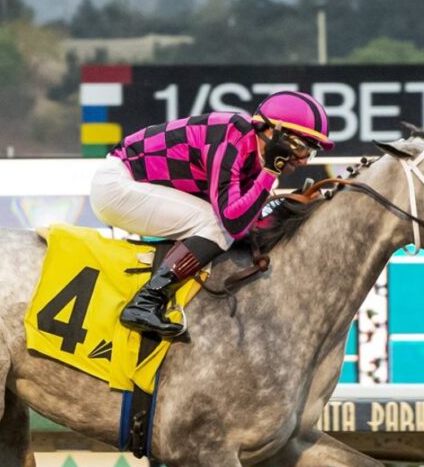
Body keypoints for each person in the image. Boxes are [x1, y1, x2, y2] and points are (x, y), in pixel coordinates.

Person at [89, 90, 334, 337]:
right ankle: (146, 301)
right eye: (300, 147)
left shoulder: (252, 153)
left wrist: (285, 211)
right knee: (214, 225)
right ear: (273, 133)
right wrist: (270, 172)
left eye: (310, 153)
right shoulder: (231, 137)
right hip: (116, 186)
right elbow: (233, 222)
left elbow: (250, 225)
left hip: (133, 185)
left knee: (220, 227)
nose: (303, 161)